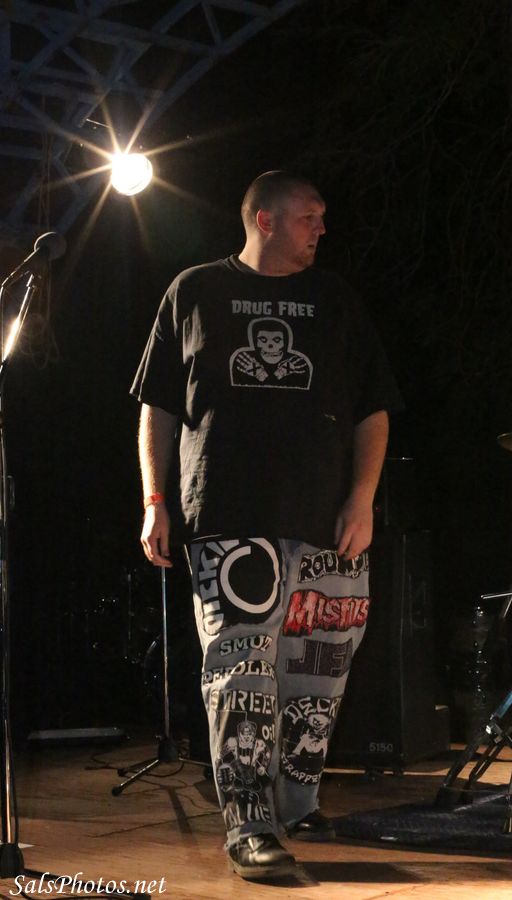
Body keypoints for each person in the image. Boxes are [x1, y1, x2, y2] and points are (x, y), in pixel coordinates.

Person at [131, 170, 401, 881]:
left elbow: (374, 407)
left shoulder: (335, 299)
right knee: (240, 668)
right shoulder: (194, 290)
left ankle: (295, 801)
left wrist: (363, 497)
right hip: (229, 513)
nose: (322, 228)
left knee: (322, 667)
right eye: (310, 216)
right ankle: (249, 825)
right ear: (265, 219)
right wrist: (155, 499)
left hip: (327, 520)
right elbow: (158, 405)